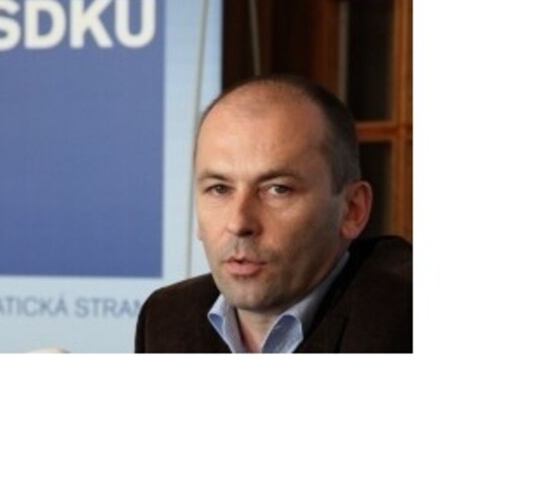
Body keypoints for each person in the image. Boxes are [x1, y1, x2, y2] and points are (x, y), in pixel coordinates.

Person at [135, 74, 412, 353]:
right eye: (219, 189)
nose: (239, 223)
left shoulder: (403, 319)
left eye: (278, 189)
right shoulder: (166, 318)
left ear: (352, 210)